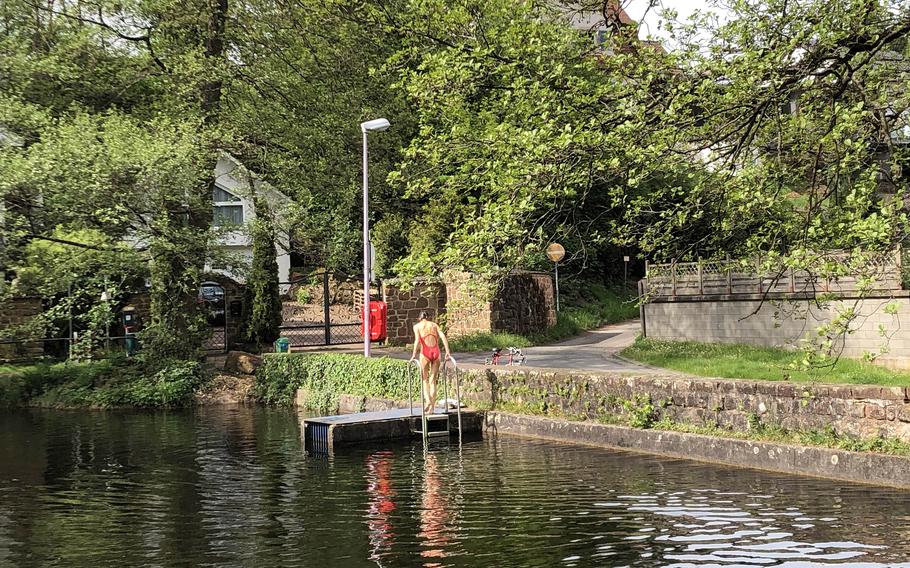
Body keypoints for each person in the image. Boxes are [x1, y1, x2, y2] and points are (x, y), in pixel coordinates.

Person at [409, 311, 451, 414]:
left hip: (425, 352)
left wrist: (414, 354)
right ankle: (431, 408)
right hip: (436, 352)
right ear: (427, 317)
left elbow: (417, 340)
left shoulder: (417, 326)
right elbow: (443, 337)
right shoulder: (434, 325)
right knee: (433, 381)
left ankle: (428, 401)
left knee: (424, 380)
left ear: (419, 318)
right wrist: (447, 351)